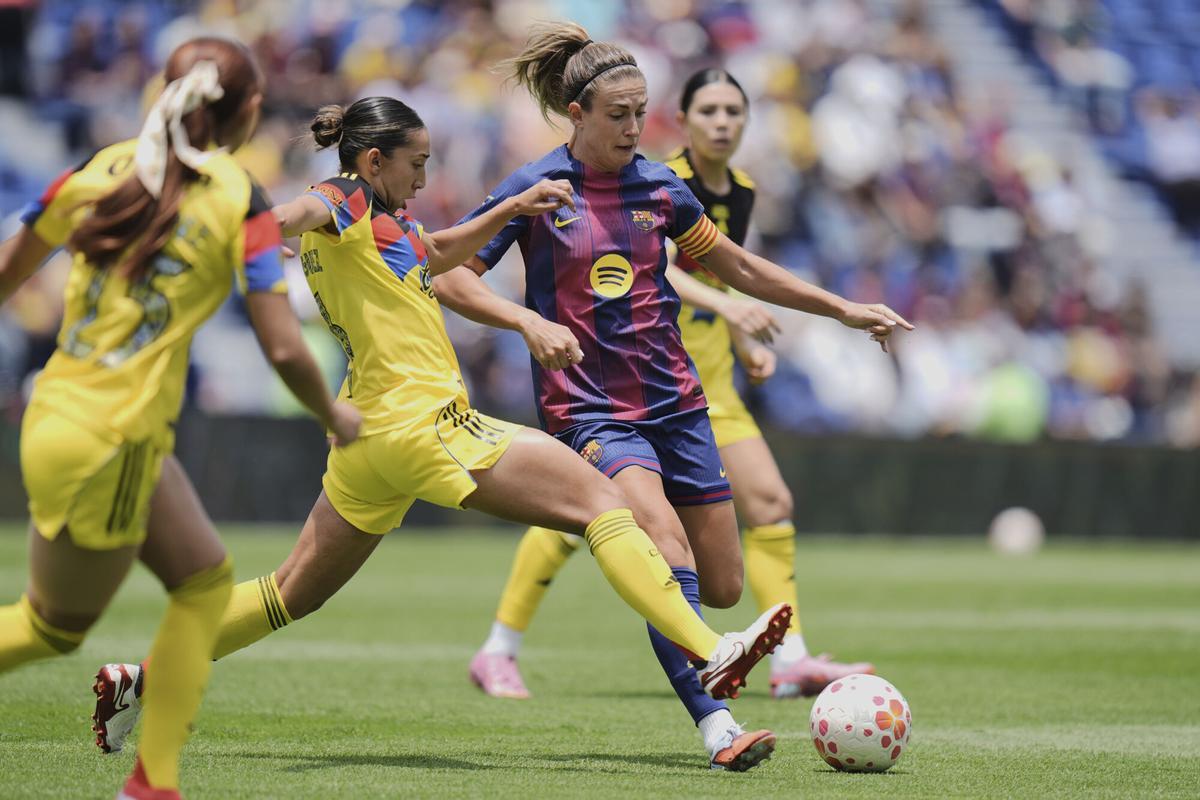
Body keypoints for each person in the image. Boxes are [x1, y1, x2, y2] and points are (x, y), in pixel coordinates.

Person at [91, 96, 794, 767]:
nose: (425, 177)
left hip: (367, 438)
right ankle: (710, 647)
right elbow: (293, 214)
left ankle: (142, 679)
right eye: (415, 163)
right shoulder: (341, 201)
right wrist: (235, 231)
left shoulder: (385, 222)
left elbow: (441, 253)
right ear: (372, 162)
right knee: (603, 505)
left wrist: (514, 209)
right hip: (423, 423)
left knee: (291, 591)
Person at [430, 22, 911, 771]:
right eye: (617, 115)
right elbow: (448, 271)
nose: (632, 127)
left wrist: (842, 309)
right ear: (578, 113)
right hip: (589, 410)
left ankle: (618, 559)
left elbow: (741, 269)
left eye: (639, 112)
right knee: (665, 549)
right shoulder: (534, 187)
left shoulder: (660, 186)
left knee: (719, 587)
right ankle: (717, 727)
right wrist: (526, 321)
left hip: (678, 404)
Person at [0, 37, 359, 800]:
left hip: (59, 410)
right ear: (248, 113)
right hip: (116, 436)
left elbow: (6, 273)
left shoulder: (98, 169)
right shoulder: (239, 196)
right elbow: (286, 348)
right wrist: (334, 410)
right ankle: (152, 784)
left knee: (204, 581)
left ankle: (154, 783)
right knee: (53, 627)